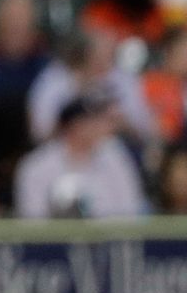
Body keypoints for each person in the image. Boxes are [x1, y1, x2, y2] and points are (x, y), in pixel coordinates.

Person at [13, 93, 149, 219]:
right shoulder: (36, 166)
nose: (103, 125)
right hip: (55, 243)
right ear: (74, 125)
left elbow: (130, 210)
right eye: (95, 119)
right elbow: (33, 223)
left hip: (109, 241)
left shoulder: (114, 154)